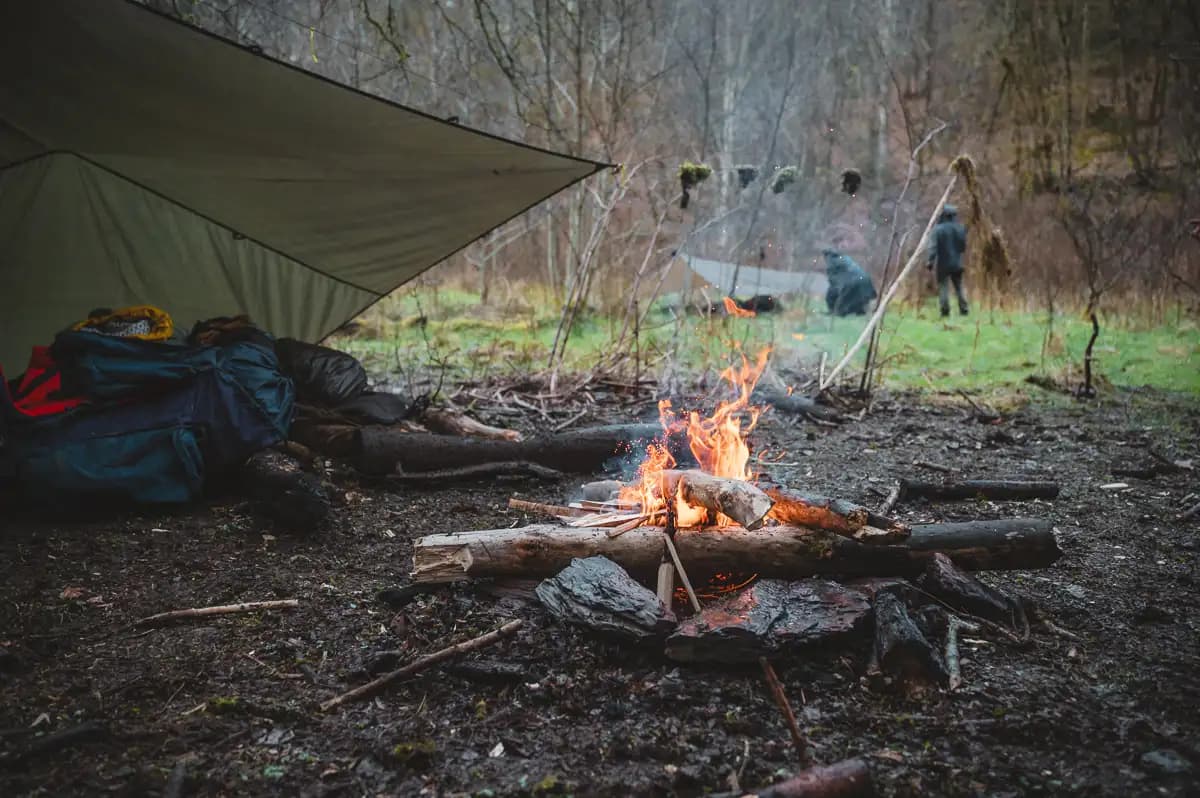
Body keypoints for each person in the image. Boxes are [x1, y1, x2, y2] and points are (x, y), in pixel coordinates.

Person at [928, 204, 969, 317]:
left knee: (943, 287)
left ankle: (945, 311)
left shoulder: (938, 229)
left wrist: (930, 261)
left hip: (943, 263)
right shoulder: (960, 228)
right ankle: (964, 309)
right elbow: (963, 247)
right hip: (957, 262)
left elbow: (933, 247)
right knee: (959, 286)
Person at [822, 248, 877, 316]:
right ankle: (860, 311)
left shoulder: (832, 262)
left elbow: (833, 287)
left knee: (840, 310)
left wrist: (831, 305)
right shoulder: (846, 258)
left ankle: (836, 312)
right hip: (866, 280)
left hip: (853, 283)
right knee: (857, 300)